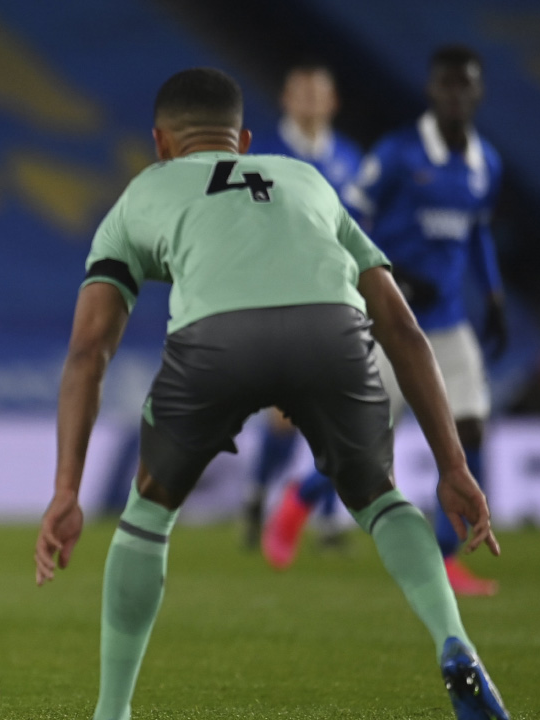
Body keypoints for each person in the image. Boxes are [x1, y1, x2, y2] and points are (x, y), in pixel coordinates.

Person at [34, 67, 508, 720]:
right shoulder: (306, 179)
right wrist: (453, 467)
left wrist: (66, 491)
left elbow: (89, 350)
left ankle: (111, 713)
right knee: (382, 499)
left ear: (161, 143)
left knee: (148, 513)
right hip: (333, 332)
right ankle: (453, 640)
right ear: (245, 141)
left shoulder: (143, 191)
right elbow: (402, 328)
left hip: (216, 340)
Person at [263, 46, 507, 597]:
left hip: (449, 324)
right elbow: (348, 216)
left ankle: (445, 559)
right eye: (447, 84)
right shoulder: (397, 155)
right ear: (432, 90)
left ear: (478, 92)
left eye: (465, 85)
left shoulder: (485, 163)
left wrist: (493, 295)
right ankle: (299, 499)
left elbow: (478, 231)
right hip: (391, 323)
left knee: (468, 436)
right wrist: (389, 274)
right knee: (363, 448)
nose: (456, 95)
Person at [243, 62, 364, 548]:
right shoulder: (263, 158)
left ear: (334, 102)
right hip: (281, 297)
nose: (311, 101)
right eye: (302, 93)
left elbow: (361, 228)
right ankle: (257, 494)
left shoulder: (352, 159)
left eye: (319, 93)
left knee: (338, 409)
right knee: (287, 415)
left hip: (339, 297)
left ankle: (329, 518)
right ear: (286, 101)